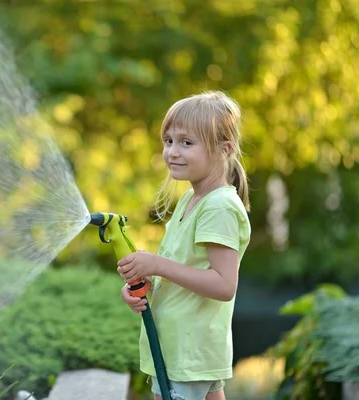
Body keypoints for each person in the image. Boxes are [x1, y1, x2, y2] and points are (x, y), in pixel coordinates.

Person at [117, 91, 251, 400]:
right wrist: (145, 284)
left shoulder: (218, 208)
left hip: (190, 352)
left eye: (186, 143)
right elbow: (186, 271)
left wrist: (158, 264)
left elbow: (223, 284)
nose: (172, 152)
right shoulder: (192, 200)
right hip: (185, 349)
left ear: (224, 149)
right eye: (168, 141)